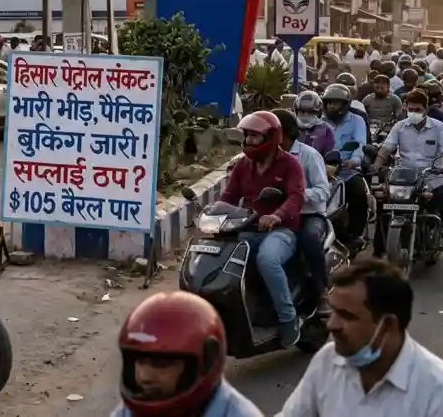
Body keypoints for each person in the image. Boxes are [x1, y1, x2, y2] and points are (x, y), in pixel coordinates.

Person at [277, 259, 443, 416]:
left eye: (347, 316)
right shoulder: (328, 361)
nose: (331, 325)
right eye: (333, 312)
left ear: (388, 326)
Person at [219, 111, 306, 345]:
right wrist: (211, 214)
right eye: (246, 136)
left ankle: (289, 319)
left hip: (281, 231)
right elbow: (228, 197)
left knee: (268, 259)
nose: (248, 142)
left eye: (254, 137)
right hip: (247, 229)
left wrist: (276, 216)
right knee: (220, 258)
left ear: (271, 137)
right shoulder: (242, 166)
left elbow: (296, 197)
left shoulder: (290, 164)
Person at [371, 90, 443, 280]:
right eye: (410, 109)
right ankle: (377, 258)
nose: (413, 112)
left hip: (433, 177)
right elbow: (386, 148)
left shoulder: (439, 127)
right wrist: (377, 163)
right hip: (404, 178)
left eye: (417, 109)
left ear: (425, 109)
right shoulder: (400, 127)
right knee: (384, 209)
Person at [111, 292, 262, 417]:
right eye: (139, 361)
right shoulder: (128, 412)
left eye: (161, 364)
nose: (145, 377)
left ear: (205, 361)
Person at [274, 109, 333, 314]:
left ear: (288, 132)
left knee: (309, 239)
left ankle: (322, 292)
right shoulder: (264, 156)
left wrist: (295, 196)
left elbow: (323, 190)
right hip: (276, 216)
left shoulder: (309, 155)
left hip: (308, 215)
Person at [321, 84, 370, 250]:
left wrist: (354, 160)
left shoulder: (357, 121)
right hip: (323, 171)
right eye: (328, 103)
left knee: (359, 192)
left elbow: (359, 143)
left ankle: (354, 235)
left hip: (347, 170)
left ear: (346, 104)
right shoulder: (320, 123)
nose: (331, 106)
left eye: (335, 103)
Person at [293, 91, 335, 155]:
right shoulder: (289, 127)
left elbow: (329, 153)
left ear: (318, 112)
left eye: (310, 112)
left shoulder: (327, 129)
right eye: (302, 111)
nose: (306, 115)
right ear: (296, 111)